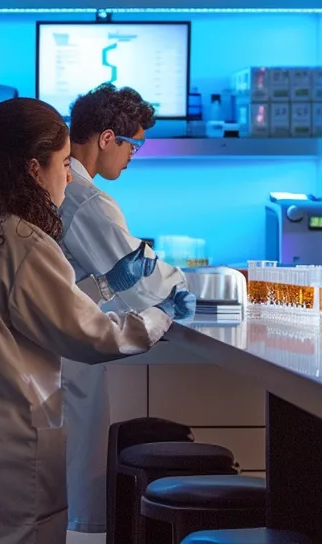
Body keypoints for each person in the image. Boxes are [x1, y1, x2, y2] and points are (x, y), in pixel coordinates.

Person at [0, 98, 193, 544]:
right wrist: (158, 316)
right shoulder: (21, 239)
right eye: (63, 164)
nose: (69, 176)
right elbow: (92, 337)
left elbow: (10, 312)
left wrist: (104, 287)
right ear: (34, 170)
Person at [59, 84, 194, 534]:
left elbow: (112, 274)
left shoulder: (71, 190)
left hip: (62, 350)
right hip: (66, 355)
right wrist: (183, 287)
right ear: (106, 137)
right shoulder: (85, 198)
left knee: (65, 480)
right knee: (71, 480)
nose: (133, 156)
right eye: (133, 145)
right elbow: (143, 281)